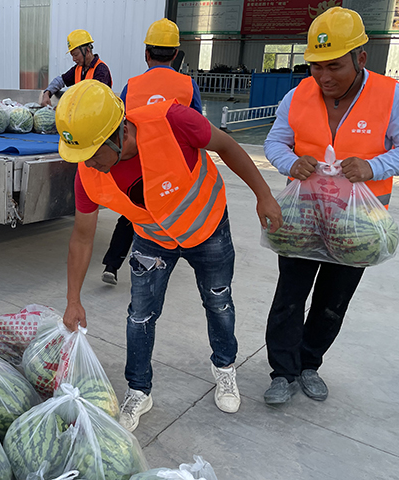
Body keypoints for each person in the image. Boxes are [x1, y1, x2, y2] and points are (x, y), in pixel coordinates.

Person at [57, 80, 283, 431]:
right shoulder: (88, 173)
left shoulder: (172, 120)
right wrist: (73, 300)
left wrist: (263, 194)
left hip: (208, 229)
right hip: (153, 241)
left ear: (120, 132)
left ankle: (224, 367)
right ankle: (139, 389)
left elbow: (226, 145)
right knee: (140, 316)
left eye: (93, 152)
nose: (88, 162)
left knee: (218, 301)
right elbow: (82, 238)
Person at [262, 7, 399, 405]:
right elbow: (274, 143)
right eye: (316, 67)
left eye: (334, 66)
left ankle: (309, 364)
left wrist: (374, 166)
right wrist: (290, 163)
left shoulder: (394, 97)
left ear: (360, 58)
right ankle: (283, 372)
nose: (324, 77)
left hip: (357, 226)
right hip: (302, 220)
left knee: (332, 302)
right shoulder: (296, 96)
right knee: (289, 298)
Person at [102, 18, 204, 286]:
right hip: (175, 169)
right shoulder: (188, 85)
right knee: (170, 217)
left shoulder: (132, 86)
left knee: (133, 215)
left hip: (140, 168)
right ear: (175, 54)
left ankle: (113, 264)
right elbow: (198, 129)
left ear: (146, 53)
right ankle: (160, 264)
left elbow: (119, 125)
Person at [40, 29, 112, 107]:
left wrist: (66, 105)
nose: (74, 59)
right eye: (72, 55)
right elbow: (60, 81)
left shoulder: (101, 70)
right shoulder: (79, 69)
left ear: (87, 51)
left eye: (76, 55)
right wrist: (47, 93)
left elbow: (95, 99)